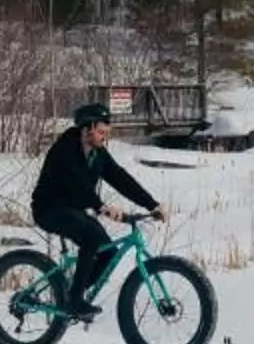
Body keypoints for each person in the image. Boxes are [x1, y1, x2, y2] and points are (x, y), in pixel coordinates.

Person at [33, 103, 164, 317]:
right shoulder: (65, 148)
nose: (105, 137)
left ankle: (70, 294)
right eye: (101, 132)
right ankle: (74, 300)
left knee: (107, 251)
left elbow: (120, 178)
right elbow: (76, 185)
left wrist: (152, 204)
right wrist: (100, 206)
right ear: (87, 129)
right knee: (91, 238)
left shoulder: (98, 153)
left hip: (74, 211)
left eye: (107, 133)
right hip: (49, 209)